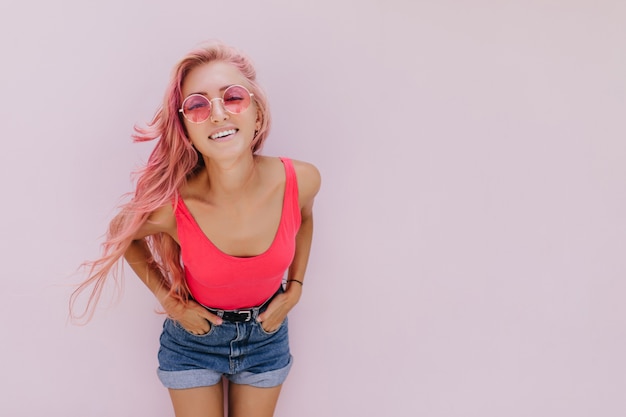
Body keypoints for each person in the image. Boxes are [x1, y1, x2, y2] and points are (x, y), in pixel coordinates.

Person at [71, 40, 321, 417]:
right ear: (186, 128)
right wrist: (171, 303)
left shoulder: (300, 179)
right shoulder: (174, 207)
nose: (218, 114)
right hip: (194, 341)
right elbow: (121, 233)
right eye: (198, 106)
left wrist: (296, 288)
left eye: (233, 97)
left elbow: (304, 217)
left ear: (257, 113)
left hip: (267, 338)